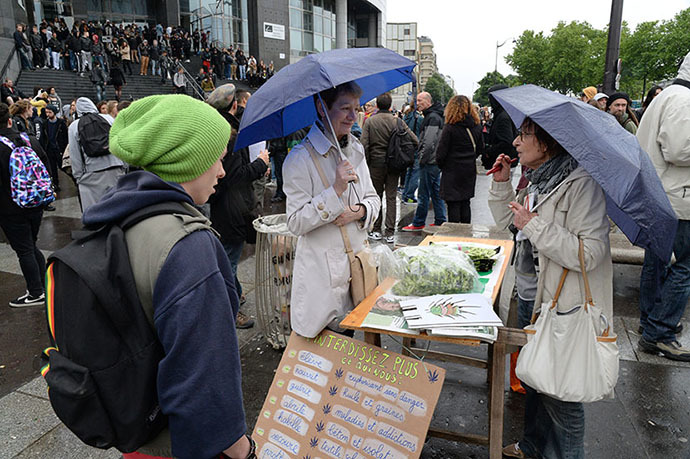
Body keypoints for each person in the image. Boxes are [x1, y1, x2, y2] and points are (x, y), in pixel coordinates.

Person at [85, 94, 254, 459]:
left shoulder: (116, 216)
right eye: (217, 159)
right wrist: (243, 449)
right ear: (185, 161)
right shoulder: (189, 246)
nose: (222, 172)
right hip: (180, 444)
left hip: (136, 431)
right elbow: (205, 379)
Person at [490, 118, 613, 459]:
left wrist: (535, 225)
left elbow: (590, 252)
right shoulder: (537, 180)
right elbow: (509, 226)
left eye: (524, 135)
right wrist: (503, 185)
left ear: (546, 143)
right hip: (533, 295)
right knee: (535, 377)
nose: (516, 142)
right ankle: (531, 446)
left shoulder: (580, 183)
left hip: (565, 305)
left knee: (563, 397)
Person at [283, 81, 381, 338]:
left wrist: (358, 211)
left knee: (346, 352)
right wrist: (335, 190)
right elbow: (294, 222)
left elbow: (373, 198)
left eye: (356, 108)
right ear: (321, 107)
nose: (352, 116)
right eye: (344, 108)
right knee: (321, 363)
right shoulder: (299, 159)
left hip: (356, 272)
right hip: (321, 282)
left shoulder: (356, 150)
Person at [636, 51, 690, 361]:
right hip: (678, 199)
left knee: (656, 265)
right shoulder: (683, 99)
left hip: (662, 196)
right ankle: (660, 331)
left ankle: (650, 324)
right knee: (683, 267)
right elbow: (679, 150)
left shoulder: (668, 95)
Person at [207, 84, 270, 329]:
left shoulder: (217, 128)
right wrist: (260, 163)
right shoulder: (229, 133)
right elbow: (234, 175)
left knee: (228, 256)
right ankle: (231, 310)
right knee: (228, 261)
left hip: (226, 205)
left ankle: (238, 292)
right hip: (231, 207)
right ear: (235, 105)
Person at [0, 102, 50, 307]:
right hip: (36, 202)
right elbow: (46, 164)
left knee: (24, 250)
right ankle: (45, 285)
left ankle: (36, 292)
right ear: (10, 120)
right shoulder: (29, 140)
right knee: (30, 244)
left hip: (9, 207)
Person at [361, 92, 418, 243]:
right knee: (391, 196)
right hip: (394, 164)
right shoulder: (398, 121)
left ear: (377, 105)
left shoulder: (370, 121)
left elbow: (363, 145)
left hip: (376, 164)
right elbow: (414, 140)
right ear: (390, 105)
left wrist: (366, 163)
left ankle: (376, 229)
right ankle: (390, 232)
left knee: (376, 196)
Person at [68, 97, 126, 210]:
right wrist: (124, 164)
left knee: (96, 211)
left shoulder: (74, 126)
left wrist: (78, 176)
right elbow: (120, 141)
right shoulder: (109, 119)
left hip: (91, 173)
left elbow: (75, 153)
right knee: (118, 207)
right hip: (115, 166)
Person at [436, 95, 484, 224]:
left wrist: (442, 165)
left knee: (453, 205)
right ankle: (466, 232)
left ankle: (455, 234)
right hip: (469, 169)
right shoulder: (477, 126)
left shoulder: (450, 128)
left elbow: (441, 153)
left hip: (452, 170)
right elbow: (480, 149)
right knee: (465, 202)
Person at [402, 91, 446, 231]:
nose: (417, 103)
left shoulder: (432, 117)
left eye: (420, 100)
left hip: (429, 161)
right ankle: (440, 220)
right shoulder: (435, 115)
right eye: (417, 101)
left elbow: (429, 141)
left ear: (428, 101)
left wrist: (422, 158)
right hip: (434, 160)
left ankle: (418, 222)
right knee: (435, 192)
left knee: (423, 193)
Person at [401, 103, 423, 204]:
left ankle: (405, 194)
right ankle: (409, 195)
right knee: (416, 172)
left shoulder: (406, 115)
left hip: (406, 147)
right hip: (416, 146)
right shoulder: (419, 118)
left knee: (409, 172)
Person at [43, 104, 68, 191]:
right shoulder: (45, 124)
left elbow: (65, 136)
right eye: (46, 112)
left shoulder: (61, 123)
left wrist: (64, 148)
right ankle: (56, 185)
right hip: (50, 149)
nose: (48, 114)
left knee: (63, 166)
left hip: (59, 148)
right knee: (52, 169)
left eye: (50, 112)